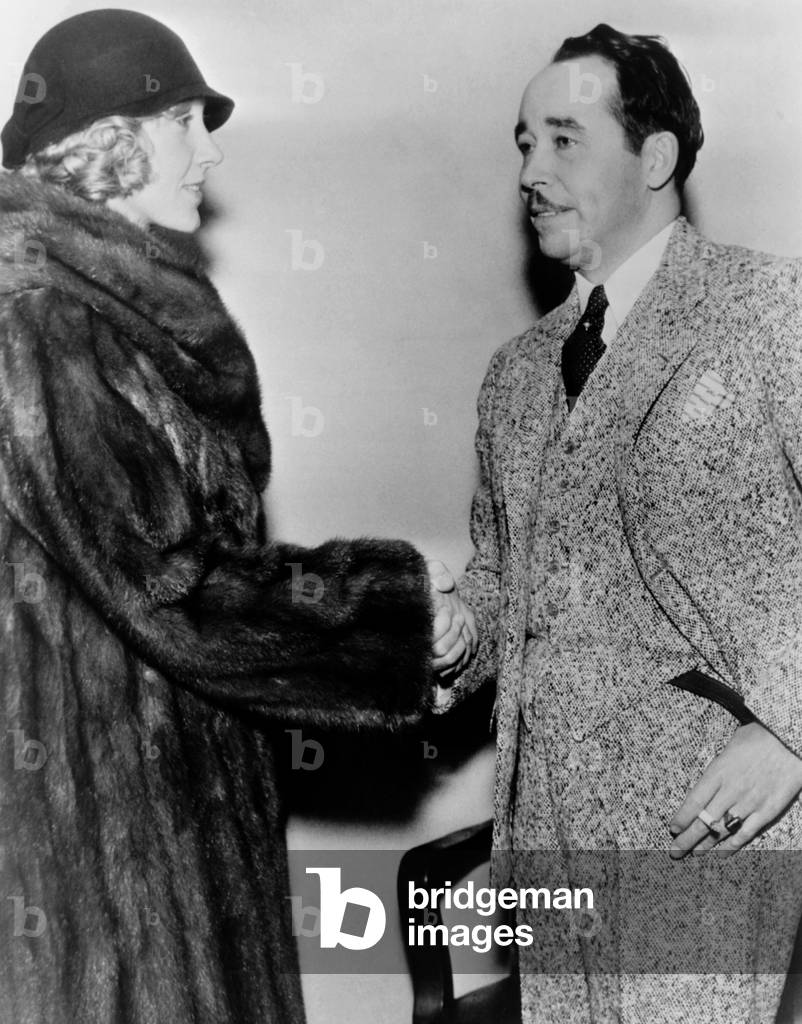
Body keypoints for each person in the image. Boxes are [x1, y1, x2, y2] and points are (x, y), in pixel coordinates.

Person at [0, 9, 474, 1023]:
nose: (209, 149)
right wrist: (395, 611)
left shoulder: (108, 306)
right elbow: (169, 582)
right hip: (107, 869)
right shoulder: (40, 315)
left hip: (169, 818)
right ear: (105, 141)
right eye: (181, 119)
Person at [436, 22, 802, 1023]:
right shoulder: (516, 372)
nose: (530, 170)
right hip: (548, 836)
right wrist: (449, 631)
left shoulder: (770, 311)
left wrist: (787, 727)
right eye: (522, 143)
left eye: (563, 139)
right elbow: (501, 581)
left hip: (707, 836)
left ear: (655, 156)